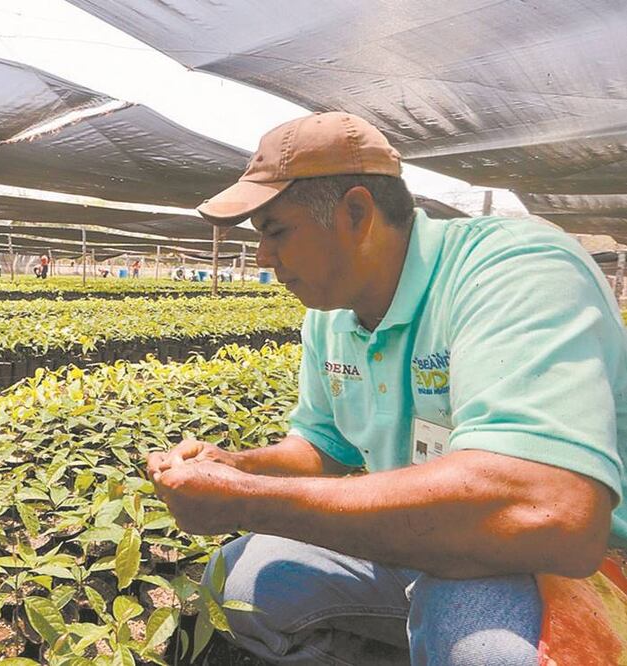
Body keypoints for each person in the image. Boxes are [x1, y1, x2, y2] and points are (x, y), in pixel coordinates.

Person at [146, 112, 627, 663]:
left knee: (481, 640)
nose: (263, 257)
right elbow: (322, 448)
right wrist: (237, 466)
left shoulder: (514, 269)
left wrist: (247, 502)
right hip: (417, 539)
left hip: (564, 566)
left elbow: (551, 514)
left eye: (276, 231)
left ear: (356, 212)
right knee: (240, 582)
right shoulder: (332, 314)